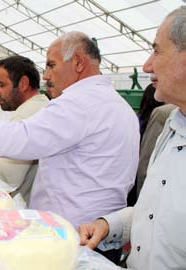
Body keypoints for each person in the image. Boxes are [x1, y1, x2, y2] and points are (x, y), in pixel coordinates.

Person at [0, 31, 139, 228]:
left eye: (51, 65)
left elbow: (21, 139)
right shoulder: (117, 105)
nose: (46, 75)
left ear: (78, 62)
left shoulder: (80, 103)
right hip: (94, 225)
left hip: (74, 231)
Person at [77, 7, 186, 269]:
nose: (147, 65)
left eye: (157, 50)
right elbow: (157, 211)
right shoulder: (171, 125)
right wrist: (109, 225)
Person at [0, 55, 49, 204]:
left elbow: (7, 177)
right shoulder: (37, 107)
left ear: (23, 83)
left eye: (1, 85)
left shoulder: (28, 115)